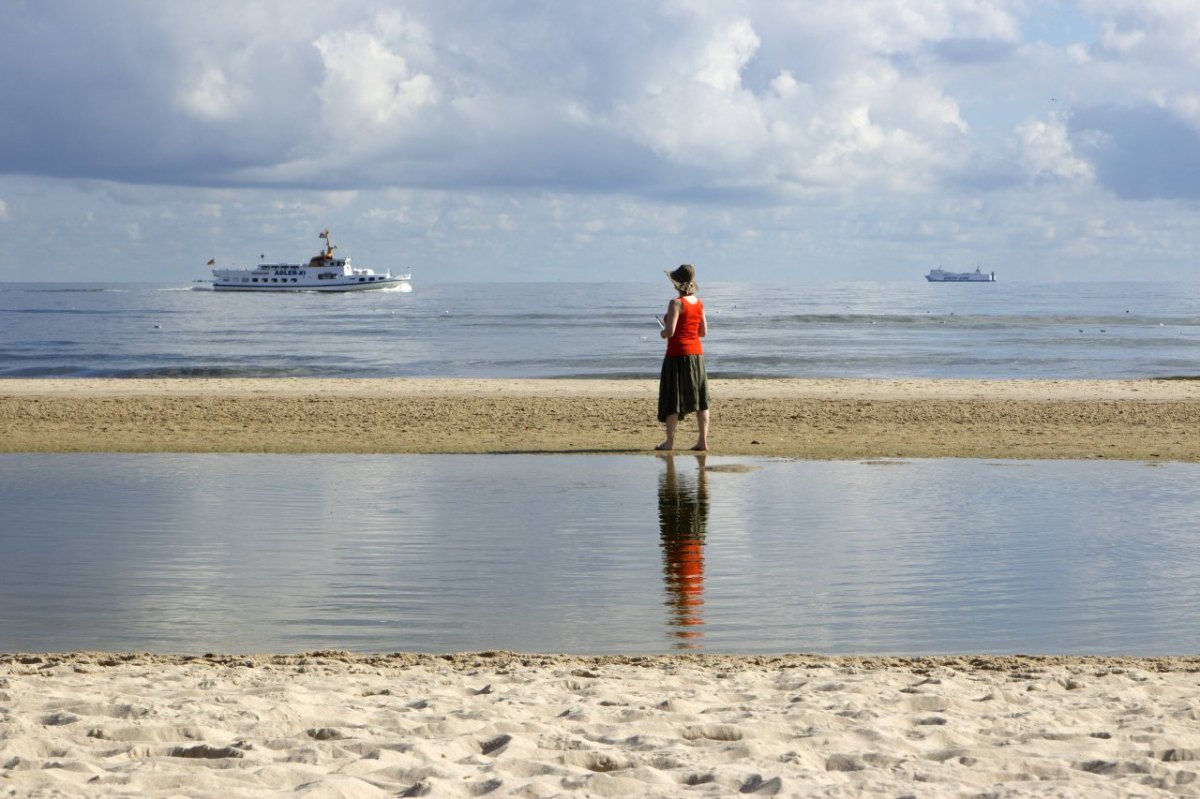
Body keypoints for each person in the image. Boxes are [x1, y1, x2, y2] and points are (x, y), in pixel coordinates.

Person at [657, 264, 709, 451]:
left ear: (677, 283)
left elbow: (670, 332)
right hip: (696, 355)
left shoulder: (676, 303)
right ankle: (702, 441)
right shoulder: (700, 303)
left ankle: (670, 442)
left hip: (677, 354)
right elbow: (703, 332)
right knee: (701, 399)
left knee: (673, 398)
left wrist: (662, 333)